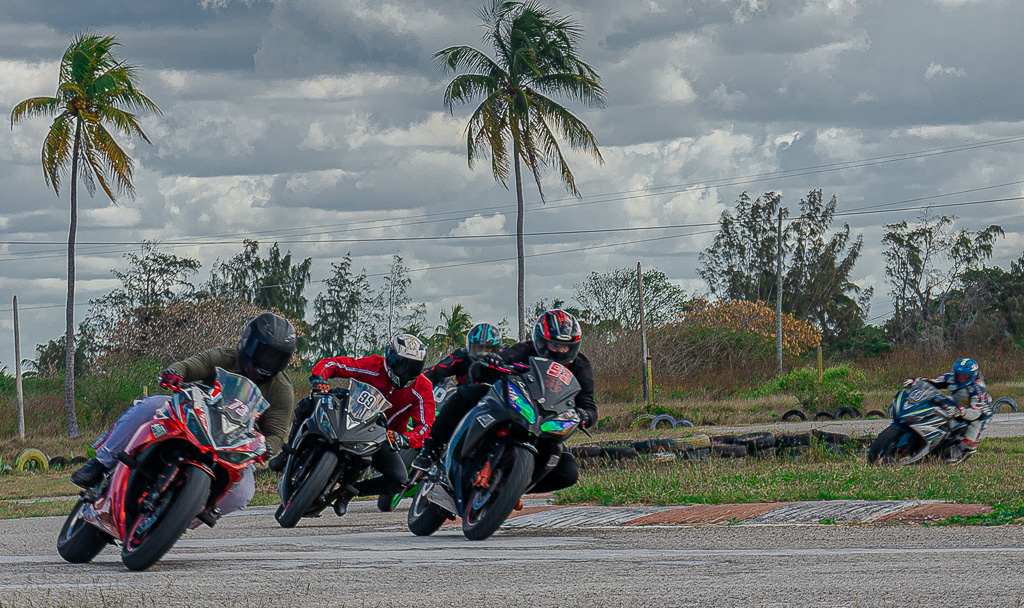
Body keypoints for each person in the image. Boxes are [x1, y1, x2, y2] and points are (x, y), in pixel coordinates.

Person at [70, 312, 297, 517]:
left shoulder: (281, 390)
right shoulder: (224, 358)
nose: (267, 362)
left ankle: (185, 515)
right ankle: (101, 462)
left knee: (244, 492)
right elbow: (191, 366)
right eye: (264, 353)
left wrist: (267, 448)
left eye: (275, 358)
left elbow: (276, 432)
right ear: (248, 344)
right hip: (193, 422)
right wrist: (175, 373)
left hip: (233, 450)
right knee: (153, 405)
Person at [411, 309, 597, 494]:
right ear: (540, 340)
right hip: (513, 405)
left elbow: (588, 403)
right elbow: (500, 359)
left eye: (564, 347)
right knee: (469, 393)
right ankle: (431, 449)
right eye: (553, 345)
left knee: (568, 473)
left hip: (545, 422)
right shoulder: (525, 349)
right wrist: (492, 361)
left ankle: (509, 487)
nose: (558, 351)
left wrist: (584, 415)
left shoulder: (581, 366)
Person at [267, 333, 435, 516]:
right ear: (389, 357)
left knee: (399, 479)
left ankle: (347, 493)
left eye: (412, 367)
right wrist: (319, 380)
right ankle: (287, 452)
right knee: (307, 404)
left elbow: (425, 427)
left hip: (380, 437)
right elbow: (334, 365)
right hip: (348, 416)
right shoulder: (374, 365)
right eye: (400, 363)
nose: (405, 371)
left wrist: (404, 438)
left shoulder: (423, 388)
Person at [916, 357, 992, 461]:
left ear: (973, 375)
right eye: (958, 375)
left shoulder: (977, 388)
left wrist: (962, 412)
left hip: (979, 413)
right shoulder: (950, 377)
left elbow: (976, 413)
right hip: (958, 404)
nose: (960, 378)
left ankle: (959, 455)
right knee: (937, 414)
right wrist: (916, 381)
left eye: (965, 376)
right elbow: (933, 382)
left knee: (969, 443)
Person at [422, 322, 503, 388]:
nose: (482, 353)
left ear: (495, 348)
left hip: (496, 402)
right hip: (464, 401)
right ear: (470, 346)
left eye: (487, 348)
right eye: (478, 348)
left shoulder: (504, 359)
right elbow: (433, 371)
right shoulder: (460, 357)